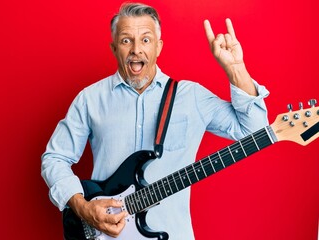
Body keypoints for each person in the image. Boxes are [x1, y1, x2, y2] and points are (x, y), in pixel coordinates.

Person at [41, 2, 269, 239]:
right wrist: (83, 207)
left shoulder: (191, 97)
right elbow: (54, 158)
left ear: (159, 47)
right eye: (126, 40)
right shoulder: (90, 99)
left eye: (146, 40)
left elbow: (255, 130)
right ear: (114, 48)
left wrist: (236, 69)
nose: (136, 50)